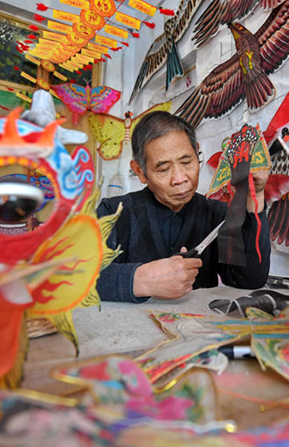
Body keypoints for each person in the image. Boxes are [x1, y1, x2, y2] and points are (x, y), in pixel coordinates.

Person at [96, 111, 270, 303]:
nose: (179, 179)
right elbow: (79, 277)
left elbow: (249, 279)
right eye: (163, 169)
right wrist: (141, 280)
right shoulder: (113, 213)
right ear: (140, 171)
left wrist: (255, 194)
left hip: (198, 322)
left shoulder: (216, 215)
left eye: (187, 162)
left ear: (197, 152)